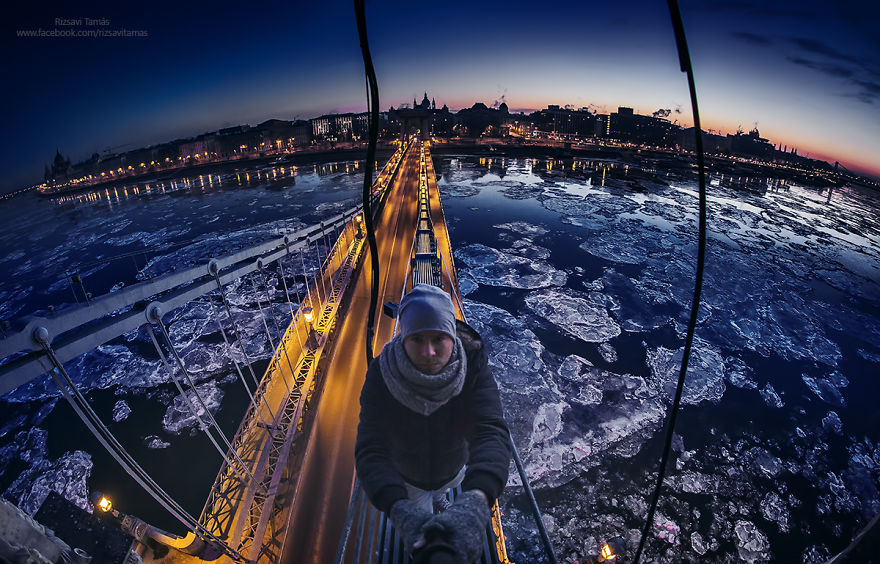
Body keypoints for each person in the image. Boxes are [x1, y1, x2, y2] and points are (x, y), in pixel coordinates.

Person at [355, 284, 511, 563]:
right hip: (409, 479)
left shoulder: (473, 369)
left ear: (452, 336)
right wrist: (397, 505)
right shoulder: (380, 376)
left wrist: (478, 496)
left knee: (443, 489)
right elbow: (371, 446)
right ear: (403, 339)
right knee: (421, 531)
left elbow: (490, 429)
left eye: (439, 338)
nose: (428, 352)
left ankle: (439, 499)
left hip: (451, 469)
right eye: (417, 339)